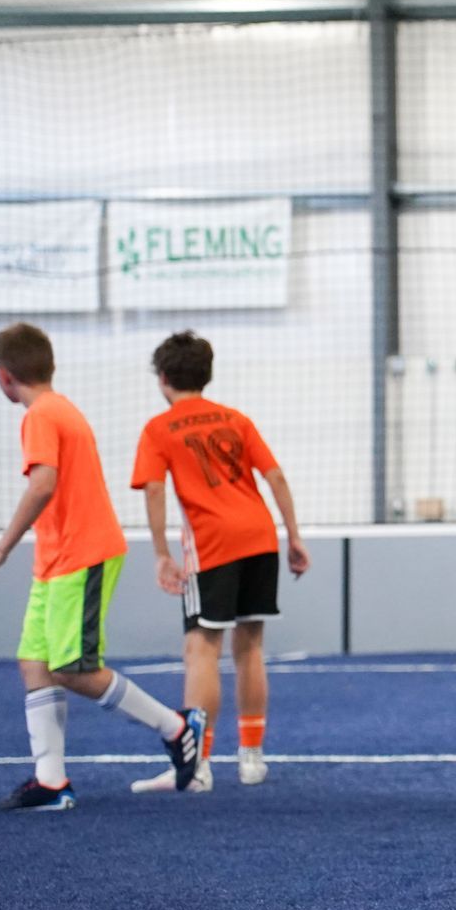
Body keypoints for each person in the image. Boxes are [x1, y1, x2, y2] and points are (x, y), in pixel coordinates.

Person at [0, 323, 204, 811]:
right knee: (34, 662)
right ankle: (51, 782)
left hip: (81, 555)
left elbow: (43, 484)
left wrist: (2, 546)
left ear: (4, 377)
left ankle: (176, 727)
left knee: (71, 668)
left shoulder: (42, 415)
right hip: (57, 558)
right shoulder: (56, 408)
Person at [128, 331, 310, 793]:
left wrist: (161, 554)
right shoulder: (236, 419)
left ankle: (199, 766)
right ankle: (251, 758)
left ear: (163, 379)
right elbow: (276, 476)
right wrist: (293, 536)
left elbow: (153, 489)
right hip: (260, 537)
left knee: (201, 649)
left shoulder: (158, 429)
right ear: (206, 375)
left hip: (213, 545)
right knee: (249, 647)